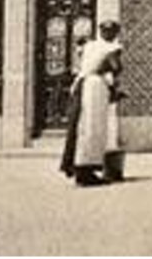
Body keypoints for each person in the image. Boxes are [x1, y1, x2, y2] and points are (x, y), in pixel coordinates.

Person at [61, 20, 124, 186]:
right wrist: (115, 81)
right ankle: (86, 171)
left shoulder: (90, 46)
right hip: (94, 88)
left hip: (81, 85)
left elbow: (84, 63)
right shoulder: (112, 48)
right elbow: (115, 67)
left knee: (81, 126)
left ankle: (79, 168)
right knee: (93, 127)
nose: (110, 34)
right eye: (110, 32)